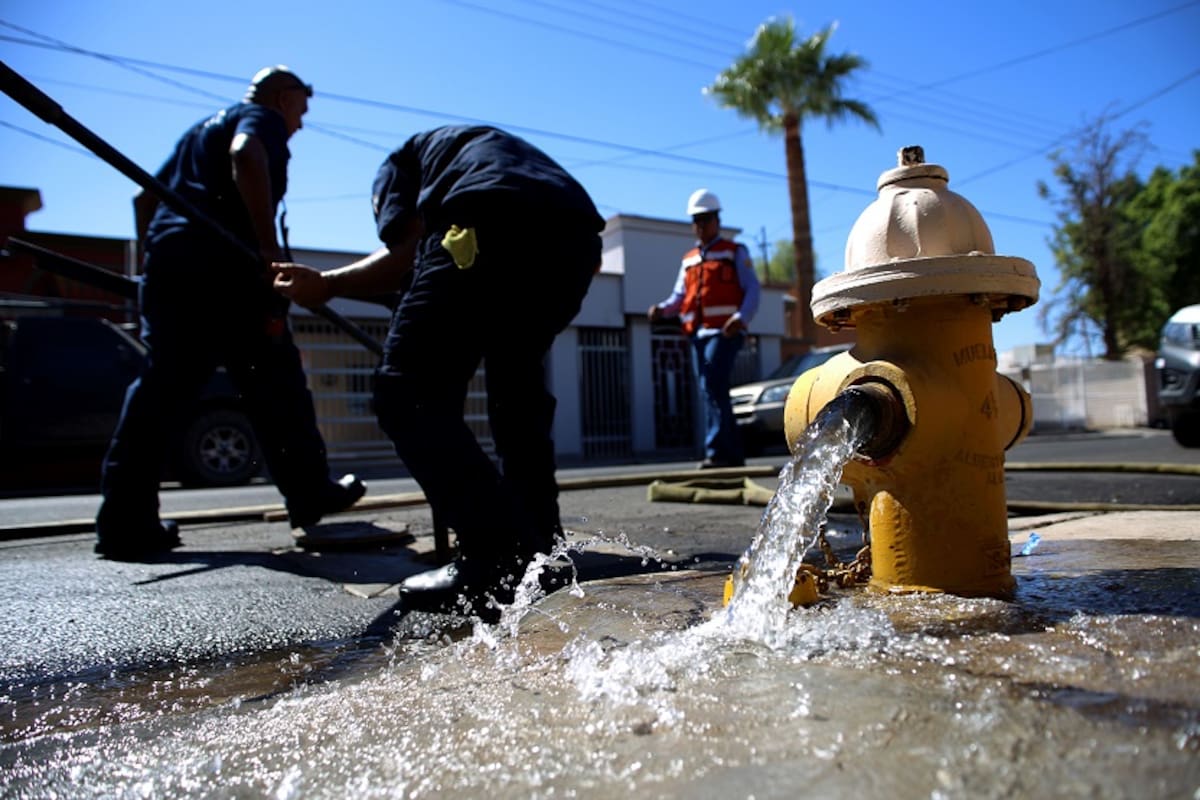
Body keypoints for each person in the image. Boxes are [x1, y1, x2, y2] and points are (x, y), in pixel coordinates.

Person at [272, 125, 605, 618]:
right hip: (572, 245)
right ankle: (540, 551)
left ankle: (499, 557)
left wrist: (327, 284)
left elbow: (406, 249)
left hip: (486, 223)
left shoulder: (400, 168)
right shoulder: (484, 150)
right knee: (516, 394)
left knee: (407, 393)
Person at [94, 65, 365, 560]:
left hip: (174, 269)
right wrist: (265, 249)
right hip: (228, 269)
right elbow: (247, 154)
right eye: (301, 111)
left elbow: (143, 198)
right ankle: (310, 491)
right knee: (277, 381)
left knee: (163, 388)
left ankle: (124, 521)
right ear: (283, 98)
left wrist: (154, 263)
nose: (299, 125)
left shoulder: (197, 133)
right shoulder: (257, 119)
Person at [648, 189, 760, 469]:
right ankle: (732, 454)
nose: (700, 225)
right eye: (696, 220)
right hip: (697, 334)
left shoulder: (735, 251)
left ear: (717, 220)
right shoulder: (689, 259)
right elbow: (679, 296)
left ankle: (717, 451)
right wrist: (662, 309)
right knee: (711, 389)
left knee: (711, 384)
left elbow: (753, 290)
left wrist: (740, 318)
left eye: (705, 219)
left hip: (724, 333)